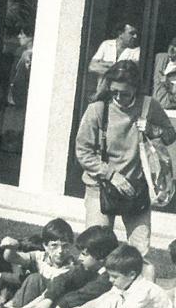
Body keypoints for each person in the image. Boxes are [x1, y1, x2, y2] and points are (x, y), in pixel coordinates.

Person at [75, 60, 176, 255]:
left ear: (136, 89)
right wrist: (110, 174)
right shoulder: (98, 109)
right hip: (101, 186)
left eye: (125, 93)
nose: (119, 98)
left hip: (136, 188)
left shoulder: (149, 106)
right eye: (115, 92)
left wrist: (153, 130)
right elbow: (83, 151)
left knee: (139, 251)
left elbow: (170, 135)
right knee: (96, 250)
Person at [89, 22, 141, 94]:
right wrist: (118, 68)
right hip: (101, 91)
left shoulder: (137, 50)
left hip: (121, 93)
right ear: (120, 34)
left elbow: (128, 72)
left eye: (136, 34)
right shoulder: (106, 44)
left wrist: (105, 64)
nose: (135, 36)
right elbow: (92, 67)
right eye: (132, 33)